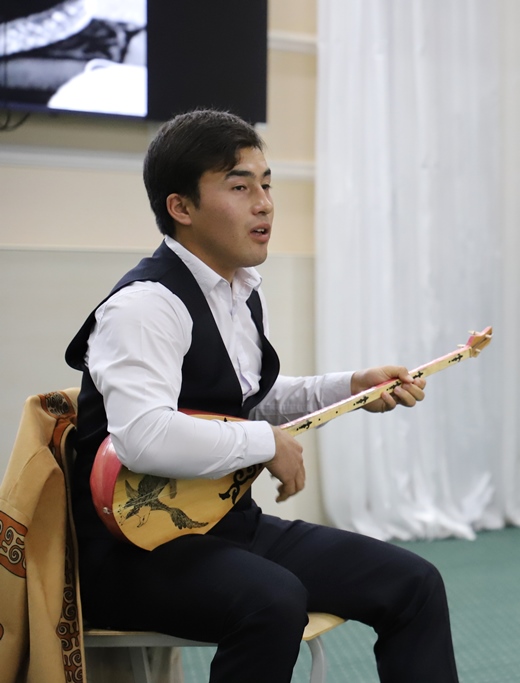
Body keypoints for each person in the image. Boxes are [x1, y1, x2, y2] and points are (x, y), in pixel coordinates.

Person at [65, 109, 461, 683]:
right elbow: (143, 437)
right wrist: (265, 443)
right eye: (240, 187)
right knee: (272, 601)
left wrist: (351, 386)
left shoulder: (241, 291)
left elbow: (248, 399)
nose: (265, 204)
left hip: (224, 525)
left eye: (267, 184)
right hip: (133, 551)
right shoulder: (144, 307)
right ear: (181, 207)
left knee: (413, 584)